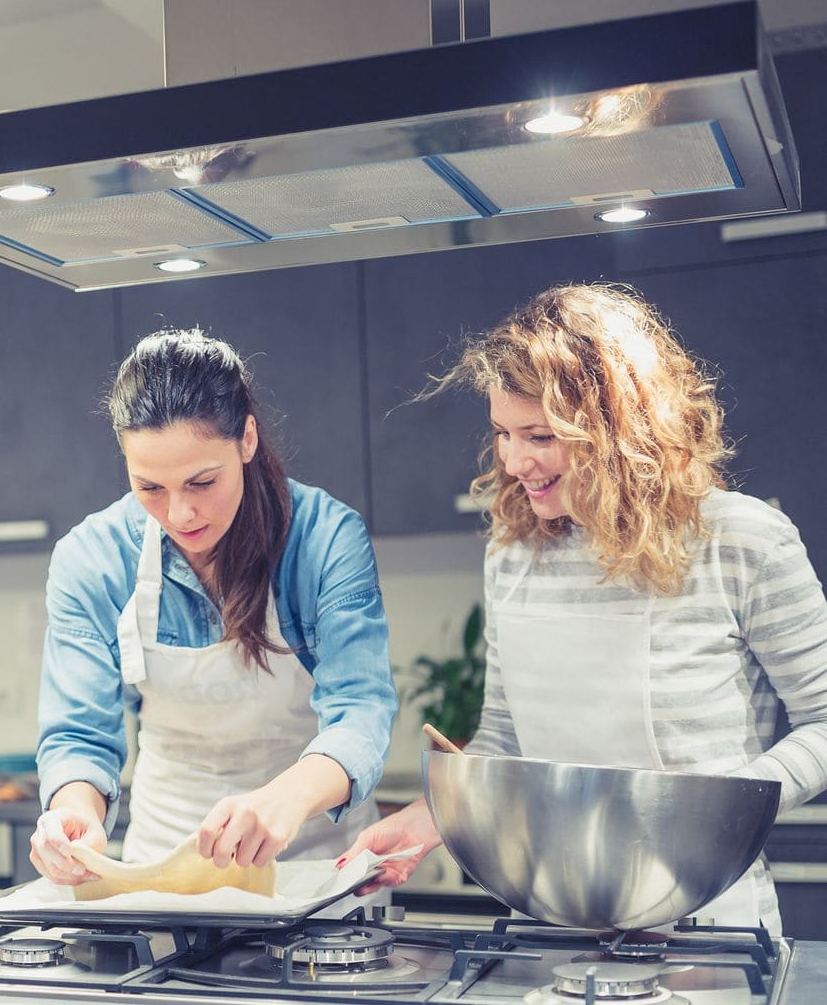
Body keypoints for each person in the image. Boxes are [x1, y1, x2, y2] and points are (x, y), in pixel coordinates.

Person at [338, 283, 827, 936]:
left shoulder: (742, 542)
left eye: (540, 435)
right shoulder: (513, 554)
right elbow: (507, 735)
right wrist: (433, 818)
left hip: (711, 919)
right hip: (551, 919)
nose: (514, 462)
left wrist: (731, 805)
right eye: (503, 434)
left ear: (619, 427)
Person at [31, 328, 396, 886]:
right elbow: (79, 735)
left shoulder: (325, 539)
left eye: (202, 481)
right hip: (164, 878)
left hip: (314, 872)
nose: (180, 514)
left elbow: (361, 711)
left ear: (247, 439)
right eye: (149, 487)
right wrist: (74, 815)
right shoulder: (93, 559)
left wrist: (286, 798)